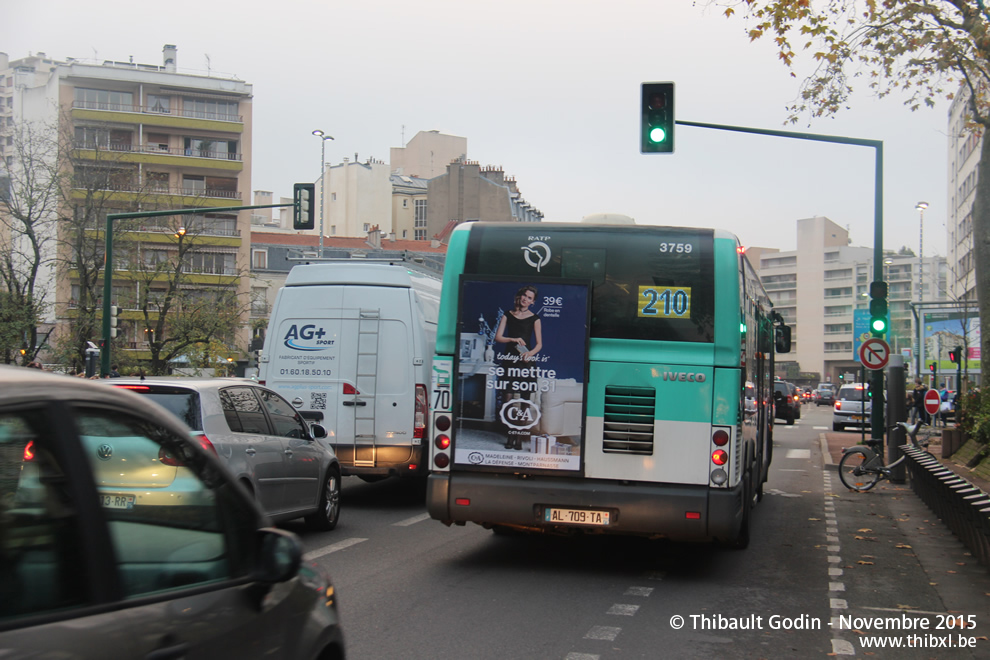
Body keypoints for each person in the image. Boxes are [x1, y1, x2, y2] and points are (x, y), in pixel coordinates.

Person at [494, 285, 543, 449]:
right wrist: (513, 339)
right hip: (509, 360)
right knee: (507, 400)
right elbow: (498, 337)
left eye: (530, 298)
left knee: (524, 401)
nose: (526, 299)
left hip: (526, 362)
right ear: (520, 296)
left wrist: (530, 354)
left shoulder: (535, 318)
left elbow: (539, 345)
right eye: (524, 296)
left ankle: (519, 437)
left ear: (533, 302)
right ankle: (510, 434)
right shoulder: (507, 315)